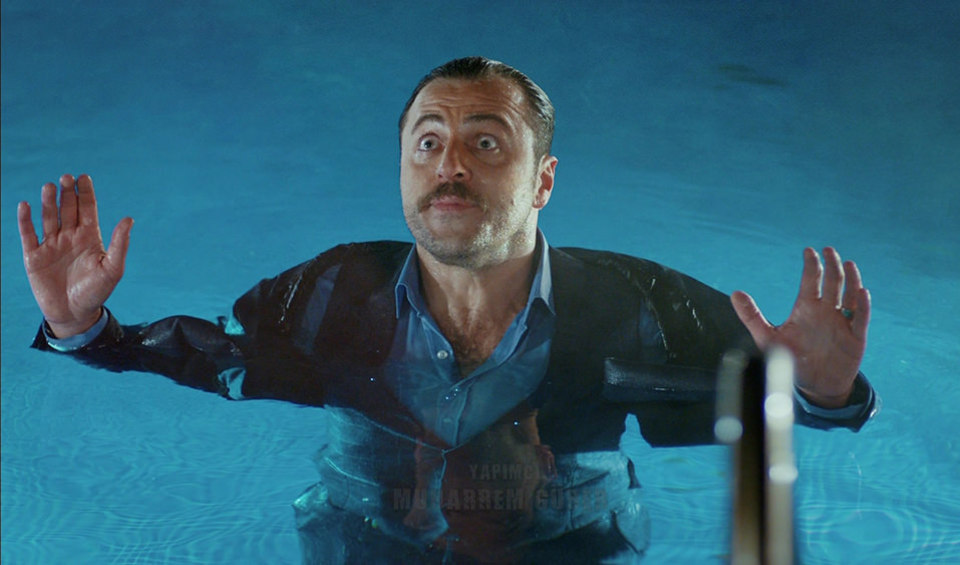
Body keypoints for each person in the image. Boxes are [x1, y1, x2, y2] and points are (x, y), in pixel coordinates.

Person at [17, 57, 877, 564]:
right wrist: (81, 328)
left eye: (485, 141)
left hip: (567, 545)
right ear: (402, 166)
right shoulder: (330, 293)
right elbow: (213, 357)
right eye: (427, 141)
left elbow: (775, 400)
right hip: (368, 539)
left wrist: (823, 391)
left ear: (543, 180)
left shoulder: (641, 307)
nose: (449, 165)